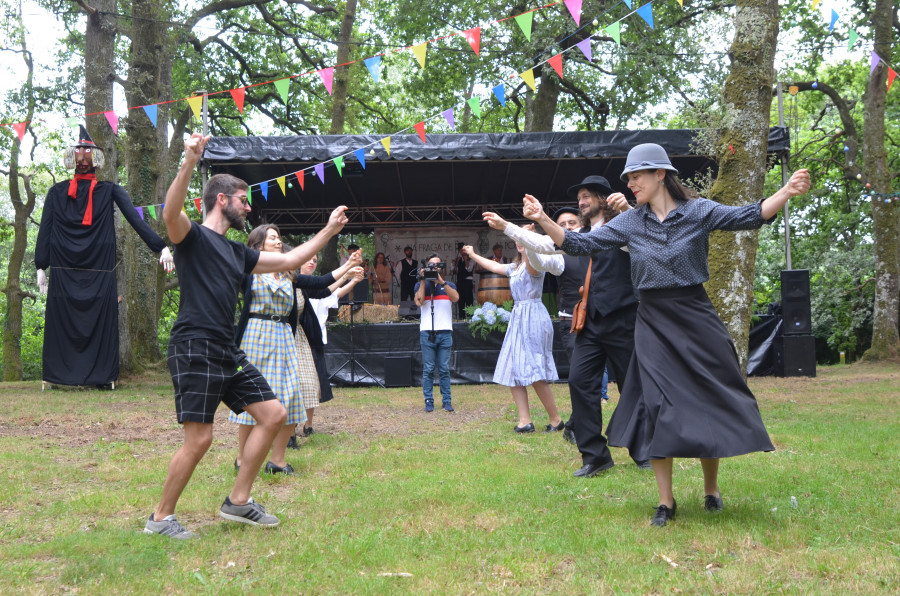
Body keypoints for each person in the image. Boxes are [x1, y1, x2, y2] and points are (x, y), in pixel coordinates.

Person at [523, 142, 810, 526]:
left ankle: (711, 489)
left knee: (705, 399)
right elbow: (578, 243)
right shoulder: (630, 222)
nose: (630, 184)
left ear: (660, 174)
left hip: (696, 316)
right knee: (654, 406)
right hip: (652, 321)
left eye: (636, 176)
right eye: (628, 178)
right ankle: (666, 502)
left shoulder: (698, 211)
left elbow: (750, 215)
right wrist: (542, 217)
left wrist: (786, 191)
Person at [144, 132, 349, 539]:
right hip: (194, 345)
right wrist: (189, 161)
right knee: (199, 440)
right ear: (222, 199)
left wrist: (328, 231)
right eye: (242, 199)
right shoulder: (192, 237)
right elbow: (170, 213)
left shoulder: (239, 252)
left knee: (273, 414)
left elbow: (291, 259)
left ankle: (238, 502)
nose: (247, 206)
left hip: (226, 349)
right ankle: (160, 518)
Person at [494, 175, 643, 476]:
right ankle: (594, 456)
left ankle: (644, 450)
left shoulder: (623, 227)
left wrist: (627, 209)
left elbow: (644, 233)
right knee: (580, 382)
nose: (581, 202)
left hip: (623, 319)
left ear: (602, 198)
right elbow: (545, 245)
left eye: (587, 196)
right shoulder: (579, 237)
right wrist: (509, 228)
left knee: (632, 387)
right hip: (587, 321)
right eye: (580, 198)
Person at [34, 125, 173, 388]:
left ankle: (101, 377)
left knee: (98, 323)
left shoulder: (110, 190)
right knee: (62, 324)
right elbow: (46, 230)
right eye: (79, 152)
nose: (83, 157)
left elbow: (135, 220)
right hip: (64, 272)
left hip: (99, 272)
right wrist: (41, 265)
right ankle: (58, 376)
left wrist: (161, 246)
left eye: (88, 152)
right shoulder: (56, 193)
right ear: (72, 157)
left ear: (96, 157)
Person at [228, 226, 361, 474]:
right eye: (272, 238)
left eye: (279, 237)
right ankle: (242, 458)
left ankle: (277, 461)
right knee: (252, 397)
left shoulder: (290, 275)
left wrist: (348, 266)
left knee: (290, 396)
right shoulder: (248, 270)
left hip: (284, 337)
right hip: (256, 336)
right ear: (258, 245)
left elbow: (321, 285)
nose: (278, 241)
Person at [462, 241, 564, 434]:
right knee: (512, 367)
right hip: (518, 316)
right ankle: (525, 421)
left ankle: (556, 419)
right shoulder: (515, 267)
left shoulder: (535, 264)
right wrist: (473, 254)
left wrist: (533, 245)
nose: (519, 242)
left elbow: (533, 260)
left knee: (533, 369)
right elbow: (493, 266)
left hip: (533, 315)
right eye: (518, 239)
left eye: (524, 238)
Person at [292, 252, 364, 440]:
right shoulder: (291, 282)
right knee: (292, 385)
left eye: (315, 260)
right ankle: (288, 428)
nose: (311, 263)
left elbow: (329, 290)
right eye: (308, 259)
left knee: (313, 385)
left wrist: (350, 278)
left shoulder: (313, 287)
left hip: (313, 341)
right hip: (292, 340)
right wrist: (347, 271)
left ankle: (308, 425)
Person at [414, 254, 459, 412]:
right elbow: (419, 302)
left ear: (442, 267)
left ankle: (447, 400)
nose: (435, 268)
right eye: (431, 265)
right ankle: (428, 400)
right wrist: (422, 280)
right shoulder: (422, 285)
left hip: (445, 332)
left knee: (444, 368)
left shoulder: (449, 284)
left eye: (437, 265)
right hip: (427, 332)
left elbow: (455, 298)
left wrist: (441, 282)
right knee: (428, 369)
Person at [451, 244, 475, 314]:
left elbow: (469, 269)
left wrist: (466, 260)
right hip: (460, 281)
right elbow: (453, 269)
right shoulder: (458, 260)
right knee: (461, 300)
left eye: (462, 250)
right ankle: (461, 316)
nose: (461, 252)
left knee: (469, 299)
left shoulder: (471, 258)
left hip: (467, 281)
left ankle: (470, 316)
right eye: (460, 250)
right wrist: (454, 263)